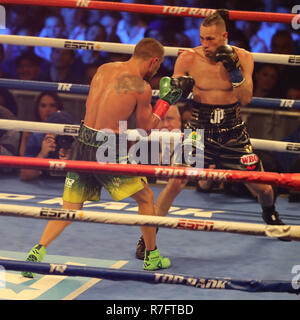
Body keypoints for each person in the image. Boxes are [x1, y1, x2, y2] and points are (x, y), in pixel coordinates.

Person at [21, 38, 194, 277]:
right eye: (159, 65)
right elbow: (146, 129)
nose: (156, 71)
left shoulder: (104, 69)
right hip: (107, 147)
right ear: (154, 61)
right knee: (145, 197)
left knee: (70, 207)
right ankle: (152, 257)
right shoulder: (141, 87)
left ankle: (37, 251)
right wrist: (165, 102)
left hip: (83, 140)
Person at [135, 12, 289, 258]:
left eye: (210, 39)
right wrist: (175, 93)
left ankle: (270, 214)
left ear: (224, 36)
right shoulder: (188, 59)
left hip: (232, 131)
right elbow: (172, 95)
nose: (205, 45)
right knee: (176, 181)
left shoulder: (243, 57)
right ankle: (148, 237)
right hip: (199, 129)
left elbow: (246, 97)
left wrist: (233, 70)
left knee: (263, 188)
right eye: (202, 39)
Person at [20, 110, 74, 181]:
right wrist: (41, 155)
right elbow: (25, 175)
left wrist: (74, 159)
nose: (60, 138)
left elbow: (89, 180)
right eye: (56, 132)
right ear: (46, 131)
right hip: (41, 186)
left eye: (64, 133)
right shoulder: (37, 138)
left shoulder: (78, 141)